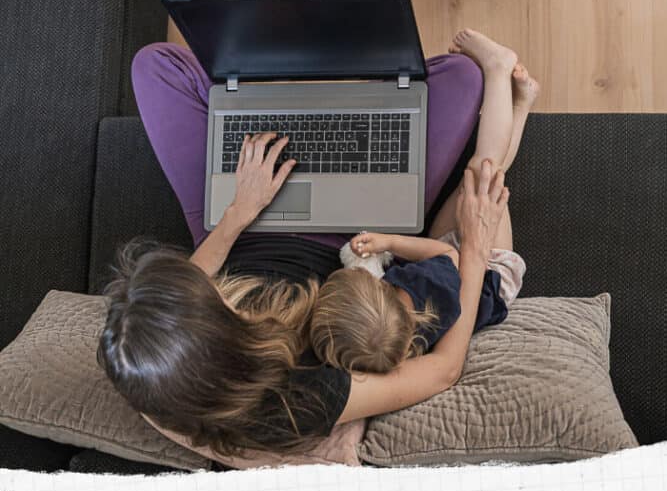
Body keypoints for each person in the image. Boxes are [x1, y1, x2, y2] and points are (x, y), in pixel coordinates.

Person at [98, 34, 510, 458]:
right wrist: (476, 250)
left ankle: (278, 109)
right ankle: (326, 110)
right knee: (459, 77)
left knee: (155, 64)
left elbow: (195, 277)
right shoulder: (294, 401)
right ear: (217, 334)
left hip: (237, 225)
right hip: (345, 237)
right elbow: (441, 372)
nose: (198, 275)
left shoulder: (141, 357)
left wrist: (240, 209)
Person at [310, 30, 538, 374]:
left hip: (454, 270)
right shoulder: (425, 289)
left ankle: (521, 103)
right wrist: (389, 241)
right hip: (488, 274)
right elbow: (449, 257)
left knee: (488, 173)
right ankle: (497, 69)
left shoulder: (377, 340)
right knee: (483, 172)